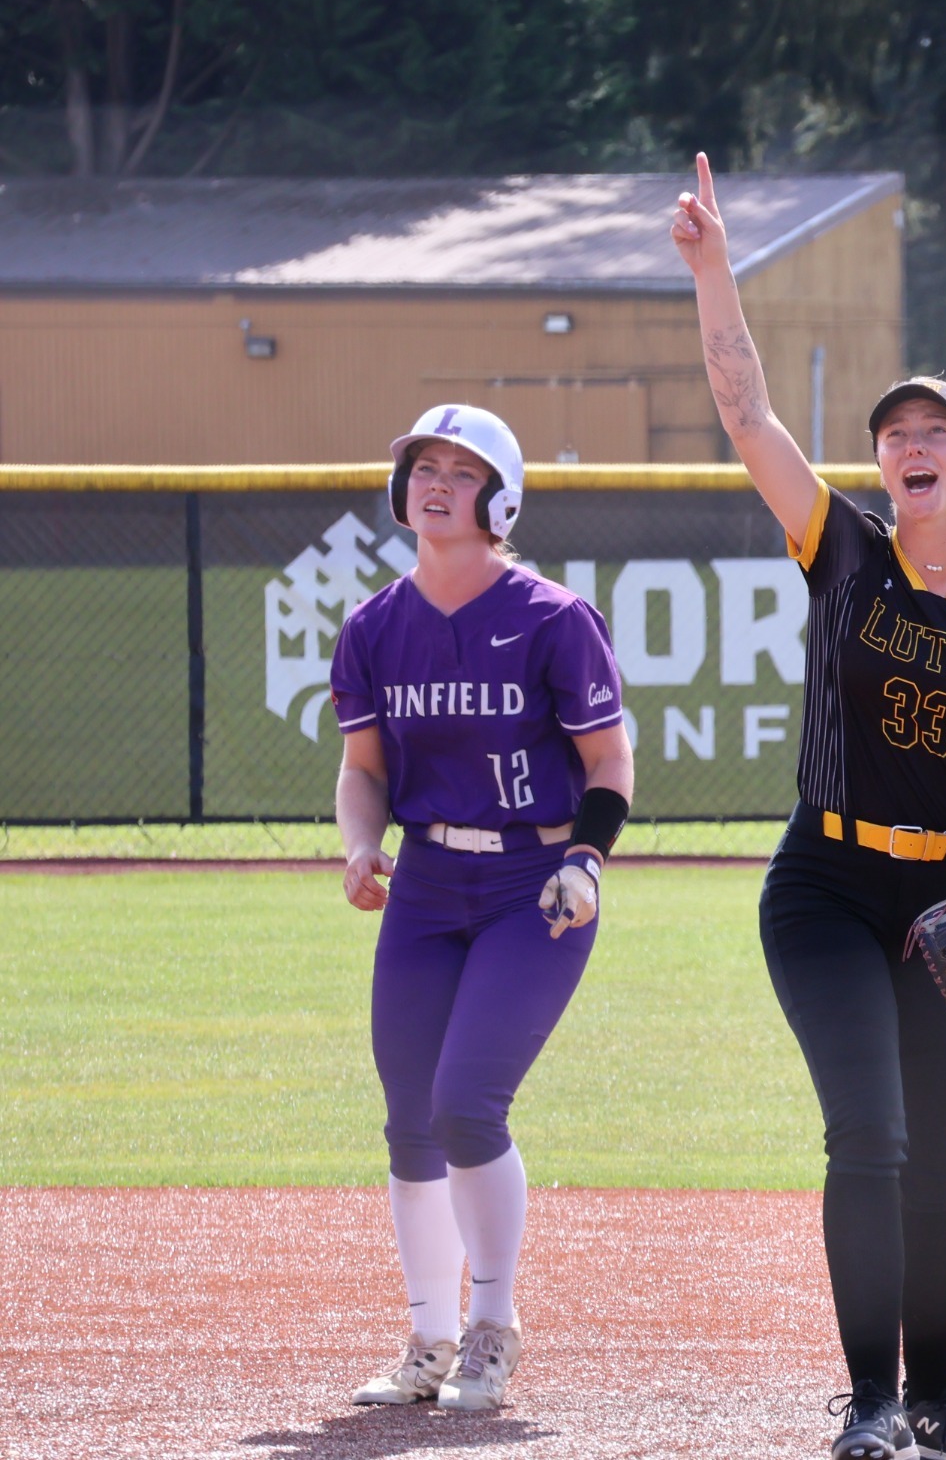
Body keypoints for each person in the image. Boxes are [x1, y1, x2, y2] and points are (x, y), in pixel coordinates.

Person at [673, 153, 946, 1460]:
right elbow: (743, 411)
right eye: (893, 434)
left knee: (944, 1166)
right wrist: (712, 272)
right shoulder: (842, 549)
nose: (908, 445)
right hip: (829, 890)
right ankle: (868, 1406)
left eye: (934, 433)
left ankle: (945, 1401)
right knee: (871, 1135)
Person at [331, 404, 635, 1412]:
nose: (434, 481)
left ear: (499, 499)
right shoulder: (375, 625)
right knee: (410, 1124)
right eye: (423, 464)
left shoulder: (551, 616)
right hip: (424, 883)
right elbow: (363, 768)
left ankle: (492, 1329)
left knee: (466, 1106)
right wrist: (360, 843)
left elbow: (608, 759)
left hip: (533, 886)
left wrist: (588, 858)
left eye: (461, 470)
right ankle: (427, 1338)